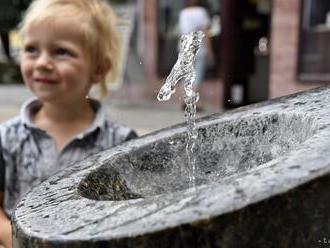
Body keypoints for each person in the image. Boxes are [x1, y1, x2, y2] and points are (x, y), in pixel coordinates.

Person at [0, 0, 137, 247]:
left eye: (61, 51)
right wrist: (17, 240)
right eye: (31, 49)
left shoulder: (120, 143)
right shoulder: (6, 138)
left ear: (98, 69)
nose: (42, 62)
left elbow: (130, 216)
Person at [178, 0, 214, 94]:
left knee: (186, 75)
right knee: (197, 75)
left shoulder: (183, 13)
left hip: (185, 48)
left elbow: (182, 31)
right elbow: (205, 31)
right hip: (199, 48)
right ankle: (191, 100)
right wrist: (210, 50)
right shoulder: (201, 12)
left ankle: (185, 100)